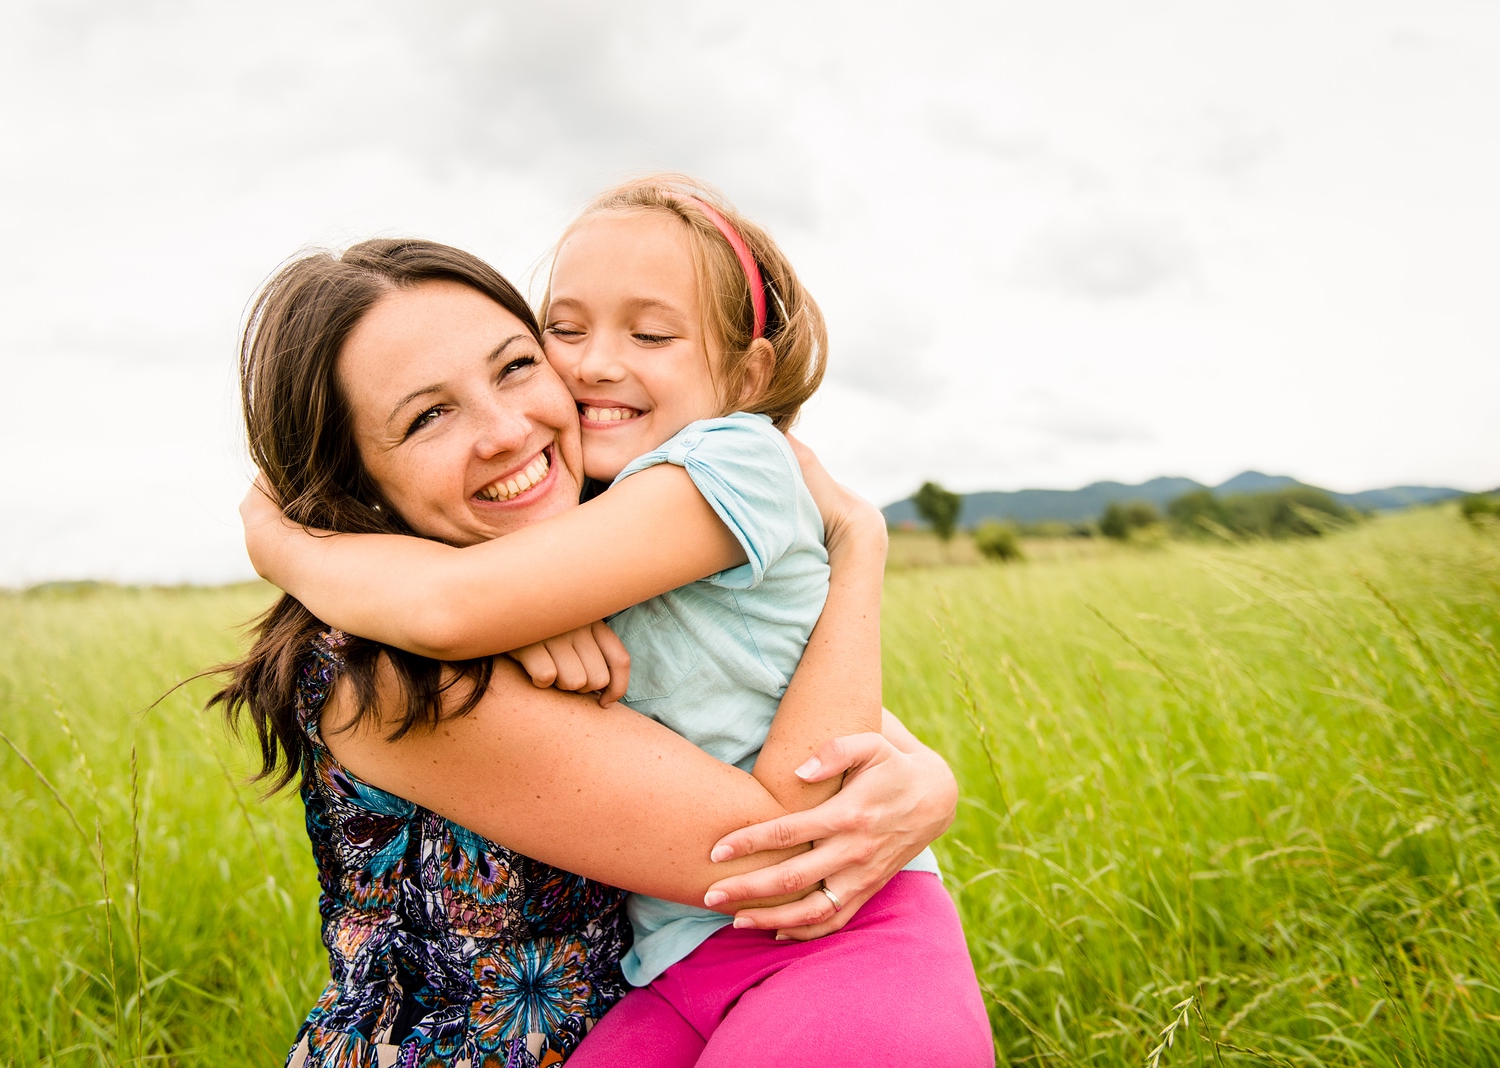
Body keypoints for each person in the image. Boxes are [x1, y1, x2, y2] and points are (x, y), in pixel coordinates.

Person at [242, 178, 994, 1066]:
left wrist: (926, 782)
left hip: (715, 974)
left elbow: (780, 709)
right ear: (351, 480)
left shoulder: (639, 512)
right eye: (429, 415)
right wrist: (277, 535)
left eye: (517, 364)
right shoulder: (391, 665)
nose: (508, 428)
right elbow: (779, 842)